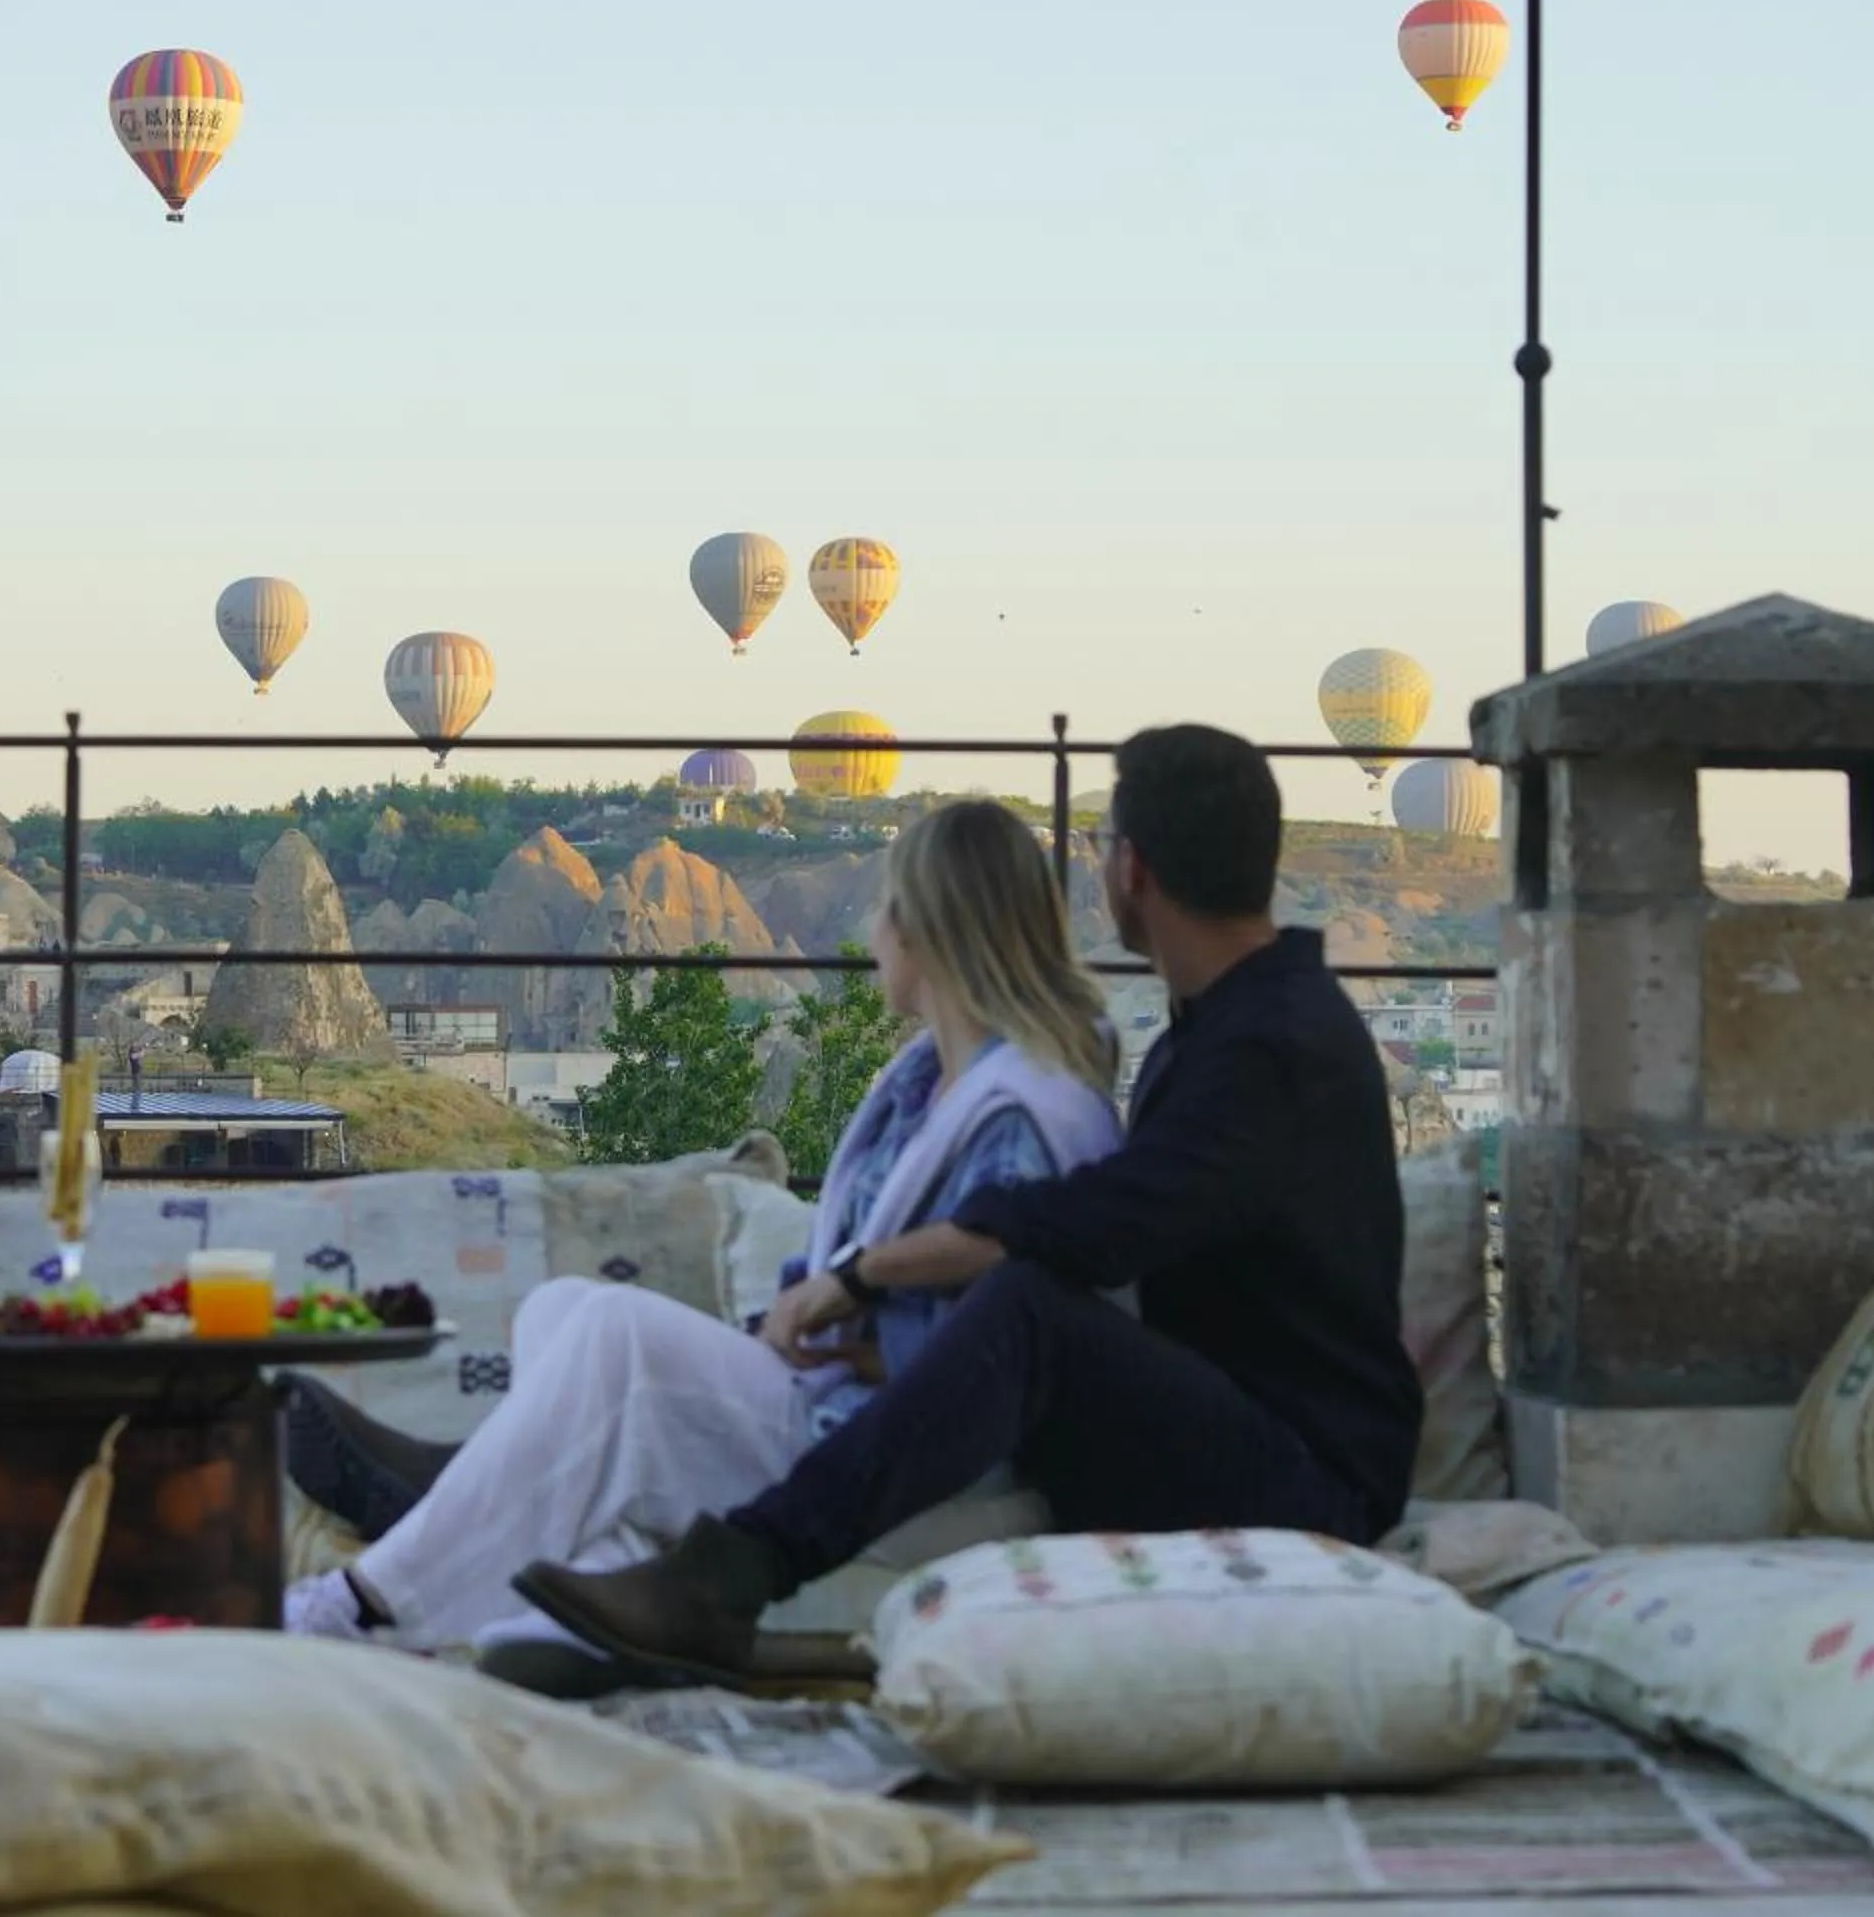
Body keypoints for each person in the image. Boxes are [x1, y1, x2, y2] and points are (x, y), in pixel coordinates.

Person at [513, 724, 1426, 1689]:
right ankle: (567, 1534)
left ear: (1131, 871)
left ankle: (724, 1580)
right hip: (1232, 1422)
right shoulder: (1231, 1029)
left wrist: (860, 1276)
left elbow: (1097, 1226)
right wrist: (889, 1334)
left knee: (1027, 1307)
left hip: (1305, 1477)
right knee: (1015, 1308)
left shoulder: (1270, 1045)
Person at [280, 799, 1123, 1686]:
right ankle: (569, 1602)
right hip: (828, 1391)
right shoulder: (926, 1080)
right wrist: (795, 1312)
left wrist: (838, 1330)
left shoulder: (1026, 1114)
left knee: (616, 1341)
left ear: (926, 931)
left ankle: (363, 1604)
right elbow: (846, 1252)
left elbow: (1011, 1347)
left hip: (903, 1457)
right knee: (563, 1310)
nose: (871, 933)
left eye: (885, 911)